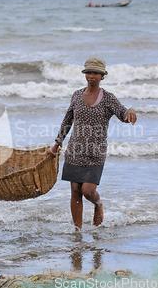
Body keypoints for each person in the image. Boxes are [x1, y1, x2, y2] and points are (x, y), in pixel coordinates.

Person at [47, 57, 137, 230]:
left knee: (87, 191)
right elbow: (67, 121)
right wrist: (56, 145)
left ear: (102, 76)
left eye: (96, 73)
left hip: (96, 152)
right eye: (89, 72)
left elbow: (123, 114)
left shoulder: (108, 98)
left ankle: (98, 204)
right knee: (75, 191)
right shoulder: (76, 95)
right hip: (75, 150)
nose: (91, 76)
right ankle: (77, 232)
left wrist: (130, 110)